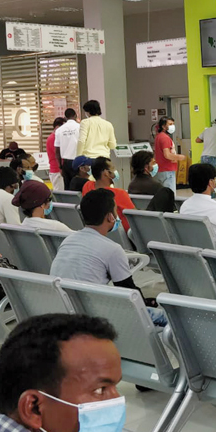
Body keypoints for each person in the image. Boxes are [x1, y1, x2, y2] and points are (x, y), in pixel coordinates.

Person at [50, 190, 165, 326]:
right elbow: (128, 292)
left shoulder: (68, 240)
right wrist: (144, 302)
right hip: (93, 316)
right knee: (165, 317)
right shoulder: (113, 249)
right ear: (110, 217)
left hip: (61, 310)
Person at [82, 157, 134, 233]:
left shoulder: (87, 186)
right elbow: (135, 218)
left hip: (97, 234)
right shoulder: (119, 194)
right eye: (113, 168)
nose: (115, 171)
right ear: (106, 173)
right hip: (125, 236)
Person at [154, 117, 187, 191]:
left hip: (161, 169)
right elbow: (167, 155)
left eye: (173, 124)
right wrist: (180, 157)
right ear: (163, 126)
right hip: (167, 170)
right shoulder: (165, 138)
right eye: (170, 124)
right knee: (170, 195)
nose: (172, 126)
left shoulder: (159, 136)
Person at [54, 108, 81, 187]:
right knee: (78, 186)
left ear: (65, 117)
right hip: (78, 162)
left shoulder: (59, 130)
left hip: (66, 163)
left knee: (67, 186)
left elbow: (57, 150)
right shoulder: (80, 127)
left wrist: (60, 166)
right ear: (76, 115)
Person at [47, 117, 67, 191]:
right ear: (57, 127)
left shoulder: (57, 137)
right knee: (60, 193)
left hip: (59, 170)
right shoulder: (52, 138)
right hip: (57, 171)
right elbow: (58, 154)